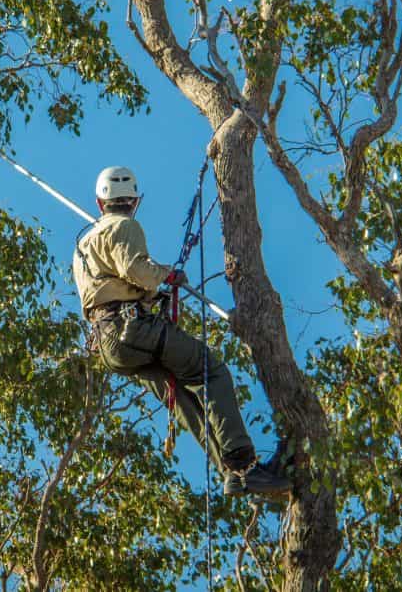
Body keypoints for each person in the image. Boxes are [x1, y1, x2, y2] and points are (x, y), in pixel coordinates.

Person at [73, 166, 290, 497]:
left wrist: (153, 293)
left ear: (100, 203)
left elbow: (113, 285)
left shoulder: (83, 245)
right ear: (134, 201)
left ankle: (235, 473)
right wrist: (165, 276)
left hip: (110, 344)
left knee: (182, 401)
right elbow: (135, 270)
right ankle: (243, 462)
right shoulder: (125, 225)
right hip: (133, 329)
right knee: (211, 371)